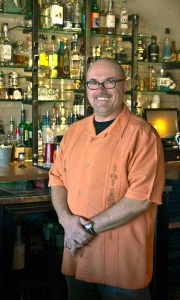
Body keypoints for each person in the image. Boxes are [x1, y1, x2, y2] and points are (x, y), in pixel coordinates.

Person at [49, 58, 165, 300]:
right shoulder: (74, 132)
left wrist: (84, 229)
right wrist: (66, 221)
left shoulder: (143, 135)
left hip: (120, 265)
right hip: (77, 258)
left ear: (124, 86)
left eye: (109, 82)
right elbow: (57, 179)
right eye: (93, 83)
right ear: (86, 88)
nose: (100, 90)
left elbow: (139, 199)